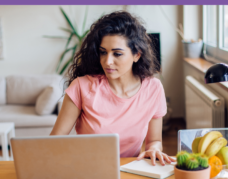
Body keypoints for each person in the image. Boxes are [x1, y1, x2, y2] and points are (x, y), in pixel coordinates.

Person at [50, 11, 175, 166]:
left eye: (117, 54)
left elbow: (154, 141)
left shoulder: (153, 89)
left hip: (131, 171)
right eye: (103, 52)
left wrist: (154, 149)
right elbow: (55, 140)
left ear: (137, 55)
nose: (107, 61)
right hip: (87, 170)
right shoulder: (81, 87)